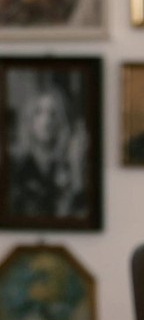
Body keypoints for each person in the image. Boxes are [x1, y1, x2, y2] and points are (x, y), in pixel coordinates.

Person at [8, 83, 88, 219]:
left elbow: (82, 214)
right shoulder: (15, 165)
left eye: (53, 113)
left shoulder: (72, 164)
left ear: (62, 120)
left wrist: (76, 173)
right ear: (29, 119)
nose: (46, 120)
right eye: (38, 112)